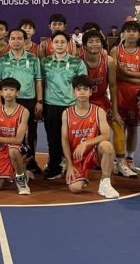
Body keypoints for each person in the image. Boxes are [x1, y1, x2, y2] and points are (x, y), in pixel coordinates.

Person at [78, 30, 132, 177]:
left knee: (118, 125)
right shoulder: (78, 60)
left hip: (101, 99)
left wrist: (115, 111)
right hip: (83, 102)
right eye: (91, 42)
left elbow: (113, 86)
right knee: (77, 130)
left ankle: (120, 163)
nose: (94, 44)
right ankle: (72, 160)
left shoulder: (109, 61)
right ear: (84, 46)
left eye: (97, 41)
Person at [0, 28, 43, 175]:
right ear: (8, 41)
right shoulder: (2, 60)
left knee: (30, 133)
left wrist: (39, 101)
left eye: (19, 38)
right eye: (13, 38)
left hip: (29, 100)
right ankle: (7, 161)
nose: (16, 41)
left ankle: (30, 163)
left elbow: (38, 81)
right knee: (7, 132)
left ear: (25, 41)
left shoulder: (33, 59)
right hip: (8, 101)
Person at [61, 75, 119, 199]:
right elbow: (64, 140)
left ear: (90, 92)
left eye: (85, 89)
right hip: (77, 156)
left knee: (107, 146)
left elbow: (106, 135)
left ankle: (105, 183)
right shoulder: (67, 114)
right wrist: (69, 164)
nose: (82, 92)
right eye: (78, 89)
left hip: (94, 152)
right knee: (75, 188)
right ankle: (82, 175)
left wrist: (86, 143)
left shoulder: (99, 112)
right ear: (74, 92)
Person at [41, 31, 88, 180]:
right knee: (53, 138)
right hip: (50, 105)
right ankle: (54, 167)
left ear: (68, 44)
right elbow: (40, 82)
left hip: (70, 106)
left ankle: (75, 167)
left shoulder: (77, 62)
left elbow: (82, 85)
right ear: (52, 44)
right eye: (56, 42)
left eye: (62, 42)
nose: (59, 45)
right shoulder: (45, 62)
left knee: (72, 139)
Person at [110, 20, 140, 173]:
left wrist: (125, 74)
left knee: (133, 128)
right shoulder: (115, 51)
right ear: (123, 34)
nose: (131, 33)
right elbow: (114, 74)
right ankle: (119, 159)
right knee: (119, 127)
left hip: (136, 95)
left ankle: (130, 158)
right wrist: (135, 76)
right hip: (119, 94)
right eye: (128, 31)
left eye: (134, 31)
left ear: (139, 34)